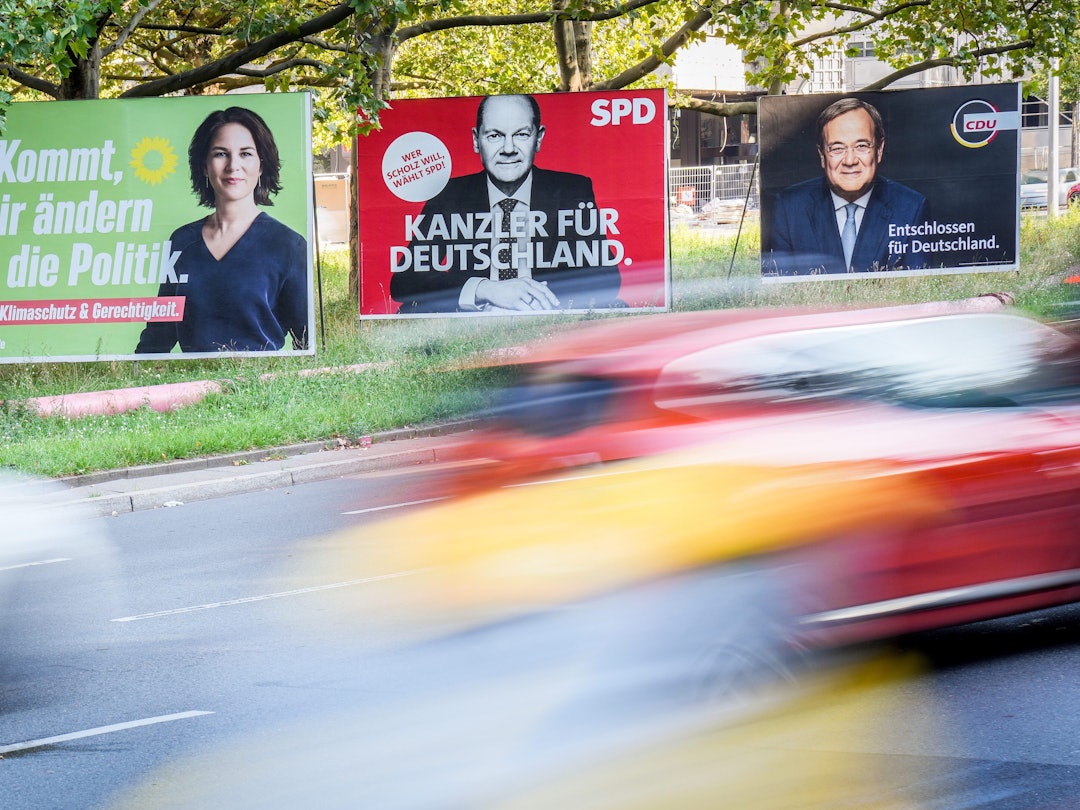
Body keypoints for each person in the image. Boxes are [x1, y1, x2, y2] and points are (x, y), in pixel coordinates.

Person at [390, 94, 623, 313]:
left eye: (521, 134)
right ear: (476, 140)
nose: (509, 149)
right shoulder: (449, 194)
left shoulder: (571, 190)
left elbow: (607, 278)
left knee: (618, 307)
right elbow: (404, 282)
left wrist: (527, 299)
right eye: (494, 135)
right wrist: (485, 290)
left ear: (538, 138)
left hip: (545, 317)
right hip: (472, 322)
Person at [136, 106, 309, 353]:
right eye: (220, 154)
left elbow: (306, 339)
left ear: (261, 165)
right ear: (204, 166)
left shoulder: (289, 245)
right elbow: (159, 334)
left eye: (246, 154)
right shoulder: (182, 242)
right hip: (191, 386)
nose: (233, 166)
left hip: (262, 385)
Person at [763, 97, 928, 277]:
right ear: (822, 155)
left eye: (861, 146)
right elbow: (781, 288)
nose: (850, 160)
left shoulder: (911, 207)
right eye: (837, 148)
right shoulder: (789, 208)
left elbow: (915, 287)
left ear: (879, 150)